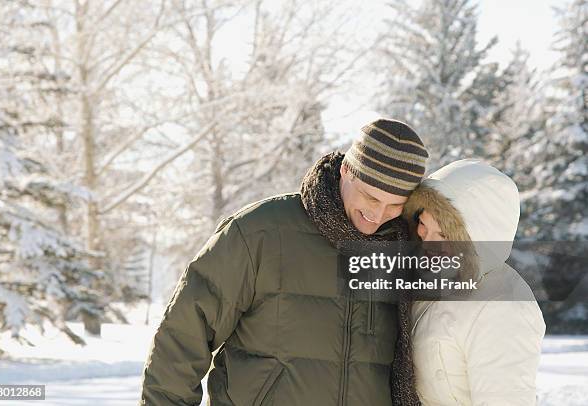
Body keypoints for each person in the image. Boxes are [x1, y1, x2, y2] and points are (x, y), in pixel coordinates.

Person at [140, 119, 429, 405]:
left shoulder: (404, 252)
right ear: (346, 170)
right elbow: (183, 336)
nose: (378, 216)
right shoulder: (261, 232)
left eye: (394, 205)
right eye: (370, 197)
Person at [397, 159, 546, 405]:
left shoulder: (502, 307)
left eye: (444, 234)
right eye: (423, 224)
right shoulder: (430, 280)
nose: (427, 243)